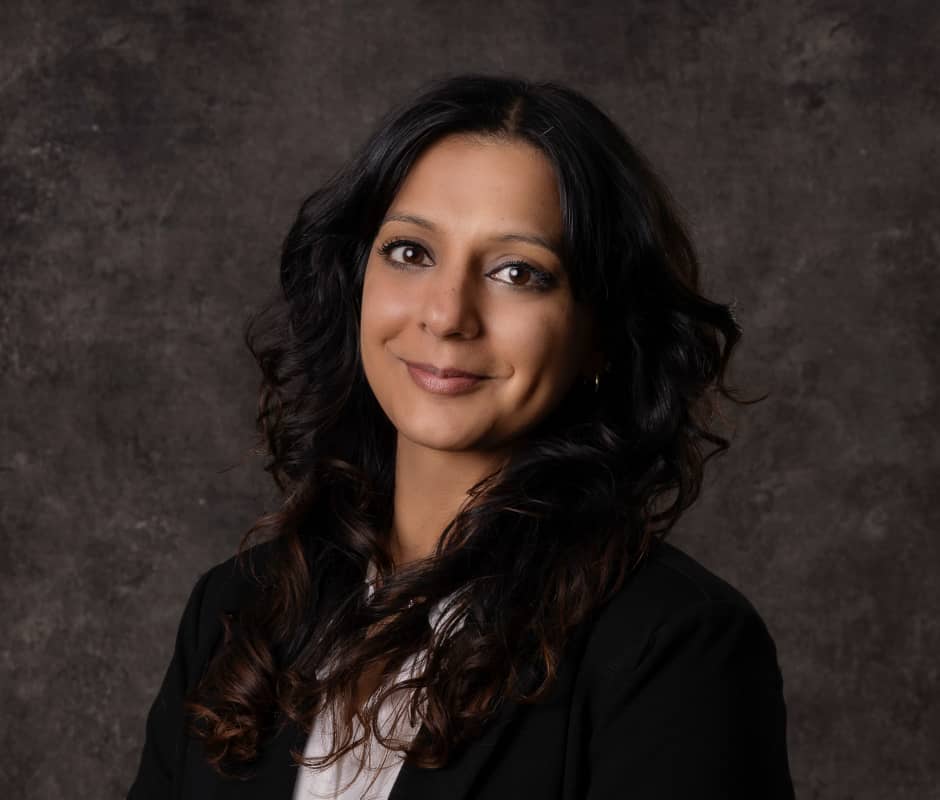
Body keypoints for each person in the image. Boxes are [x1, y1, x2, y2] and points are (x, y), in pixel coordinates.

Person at [127, 72, 795, 799]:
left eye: (518, 271)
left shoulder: (675, 647)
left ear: (599, 333)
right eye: (411, 252)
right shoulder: (235, 611)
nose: (447, 315)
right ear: (357, 282)